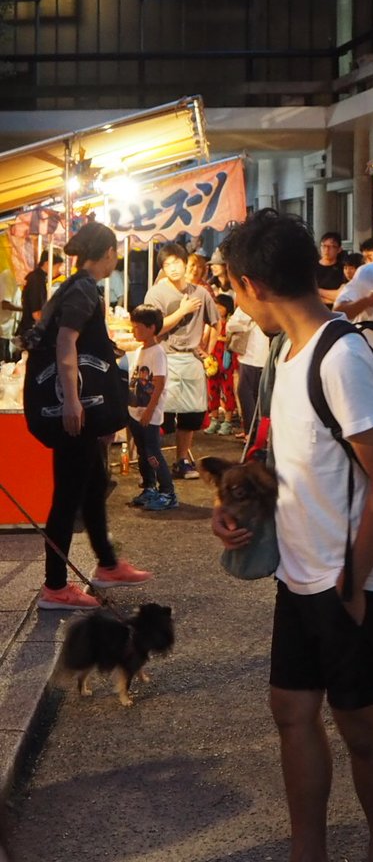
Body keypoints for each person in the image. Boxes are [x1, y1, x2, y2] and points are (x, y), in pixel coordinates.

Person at [214, 210, 373, 862]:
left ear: (252, 285)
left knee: (358, 724)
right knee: (291, 711)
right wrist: (242, 505)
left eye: (235, 292)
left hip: (356, 578)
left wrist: (353, 583)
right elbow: (299, 465)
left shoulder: (342, 354)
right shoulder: (286, 352)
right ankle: (309, 853)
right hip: (301, 571)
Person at [35, 223, 152, 611]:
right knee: (67, 496)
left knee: (95, 482)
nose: (116, 259)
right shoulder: (83, 290)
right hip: (74, 407)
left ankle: (107, 563)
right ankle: (55, 586)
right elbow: (66, 344)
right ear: (106, 253)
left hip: (79, 403)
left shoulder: (76, 286)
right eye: (115, 252)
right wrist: (71, 400)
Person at [144, 242, 218, 481]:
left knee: (191, 416)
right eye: (167, 264)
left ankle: (182, 460)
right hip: (164, 358)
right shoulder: (156, 293)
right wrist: (182, 311)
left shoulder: (201, 293)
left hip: (191, 359)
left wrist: (209, 350)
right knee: (159, 415)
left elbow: (215, 323)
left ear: (186, 263)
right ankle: (153, 463)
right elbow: (152, 327)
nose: (173, 268)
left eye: (177, 262)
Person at [127, 304, 178, 511]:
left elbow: (159, 383)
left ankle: (167, 492)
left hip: (148, 414)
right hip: (135, 412)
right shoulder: (140, 350)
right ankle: (149, 487)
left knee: (152, 453)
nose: (133, 330)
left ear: (151, 327)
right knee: (142, 452)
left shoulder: (157, 353)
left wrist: (149, 410)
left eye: (137, 327)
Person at [225, 302, 268, 437]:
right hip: (252, 358)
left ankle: (251, 434)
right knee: (253, 396)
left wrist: (244, 323)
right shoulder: (253, 307)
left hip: (254, 358)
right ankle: (252, 432)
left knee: (247, 395)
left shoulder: (248, 307)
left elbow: (231, 325)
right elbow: (230, 325)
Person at [205, 292, 238, 435]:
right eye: (216, 305)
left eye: (221, 306)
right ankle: (214, 420)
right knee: (212, 389)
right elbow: (209, 339)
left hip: (227, 359)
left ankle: (228, 422)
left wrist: (221, 338)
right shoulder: (213, 322)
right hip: (213, 360)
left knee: (227, 389)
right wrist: (206, 355)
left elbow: (233, 340)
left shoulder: (232, 321)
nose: (218, 308)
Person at [18, 250, 65, 339]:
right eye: (57, 266)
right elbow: (37, 314)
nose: (59, 271)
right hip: (31, 331)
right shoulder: (37, 280)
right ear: (47, 263)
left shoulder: (40, 278)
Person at [315, 231, 346, 308]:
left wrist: (315, 290)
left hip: (335, 312)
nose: (327, 249)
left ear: (339, 249)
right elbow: (305, 295)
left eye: (331, 246)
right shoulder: (311, 267)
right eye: (324, 246)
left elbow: (341, 296)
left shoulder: (344, 269)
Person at [0, 266, 21, 363]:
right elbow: (5, 304)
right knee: (4, 363)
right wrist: (27, 309)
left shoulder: (16, 278)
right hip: (3, 330)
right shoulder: (8, 276)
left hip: (9, 330)